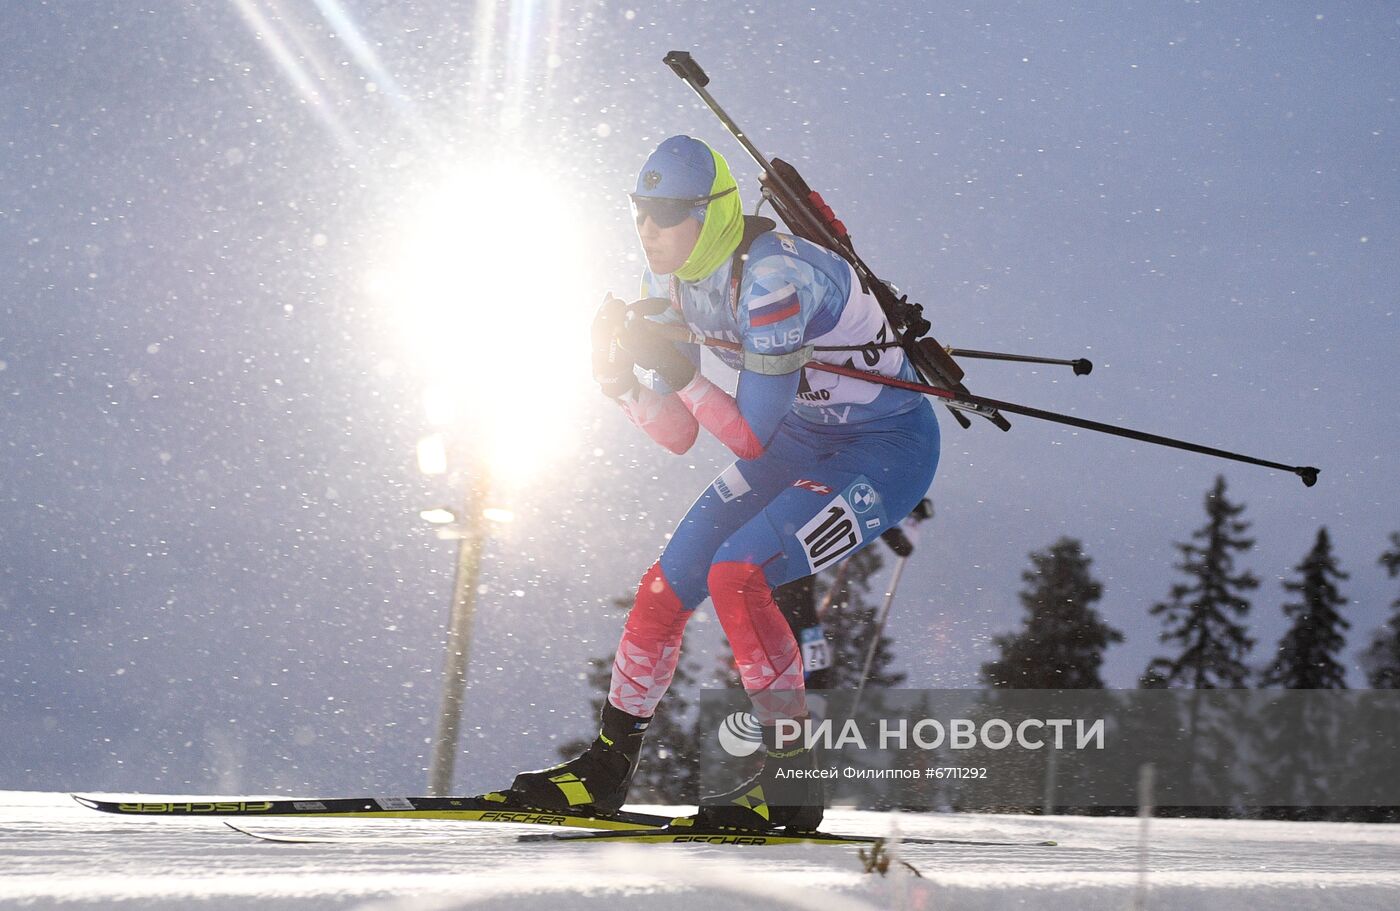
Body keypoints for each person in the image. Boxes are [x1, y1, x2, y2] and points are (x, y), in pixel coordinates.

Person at [508, 135, 940, 831]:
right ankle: (605, 768)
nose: (647, 228)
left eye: (667, 211)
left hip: (880, 449)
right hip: (800, 437)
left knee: (737, 573)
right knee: (666, 584)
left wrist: (677, 370)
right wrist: (615, 378)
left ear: (709, 214)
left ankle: (793, 784)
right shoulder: (668, 281)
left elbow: (746, 436)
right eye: (639, 211)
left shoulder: (772, 280)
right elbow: (679, 432)